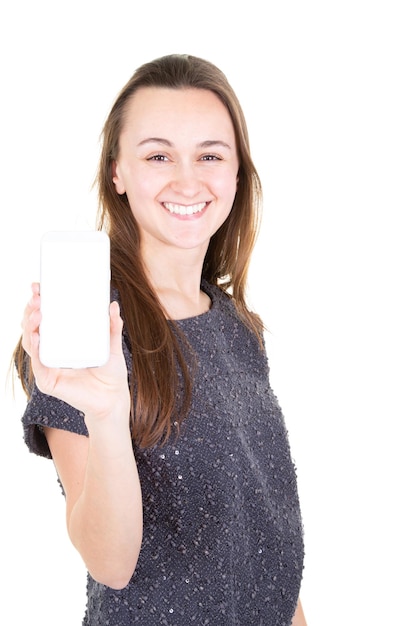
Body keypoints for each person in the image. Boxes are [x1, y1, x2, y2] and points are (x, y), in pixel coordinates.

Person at [14, 54, 307, 626]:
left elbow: (266, 541)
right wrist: (106, 411)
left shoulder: (239, 327)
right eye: (158, 155)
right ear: (117, 172)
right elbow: (110, 562)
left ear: (237, 172)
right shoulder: (86, 336)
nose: (188, 179)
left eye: (210, 155)